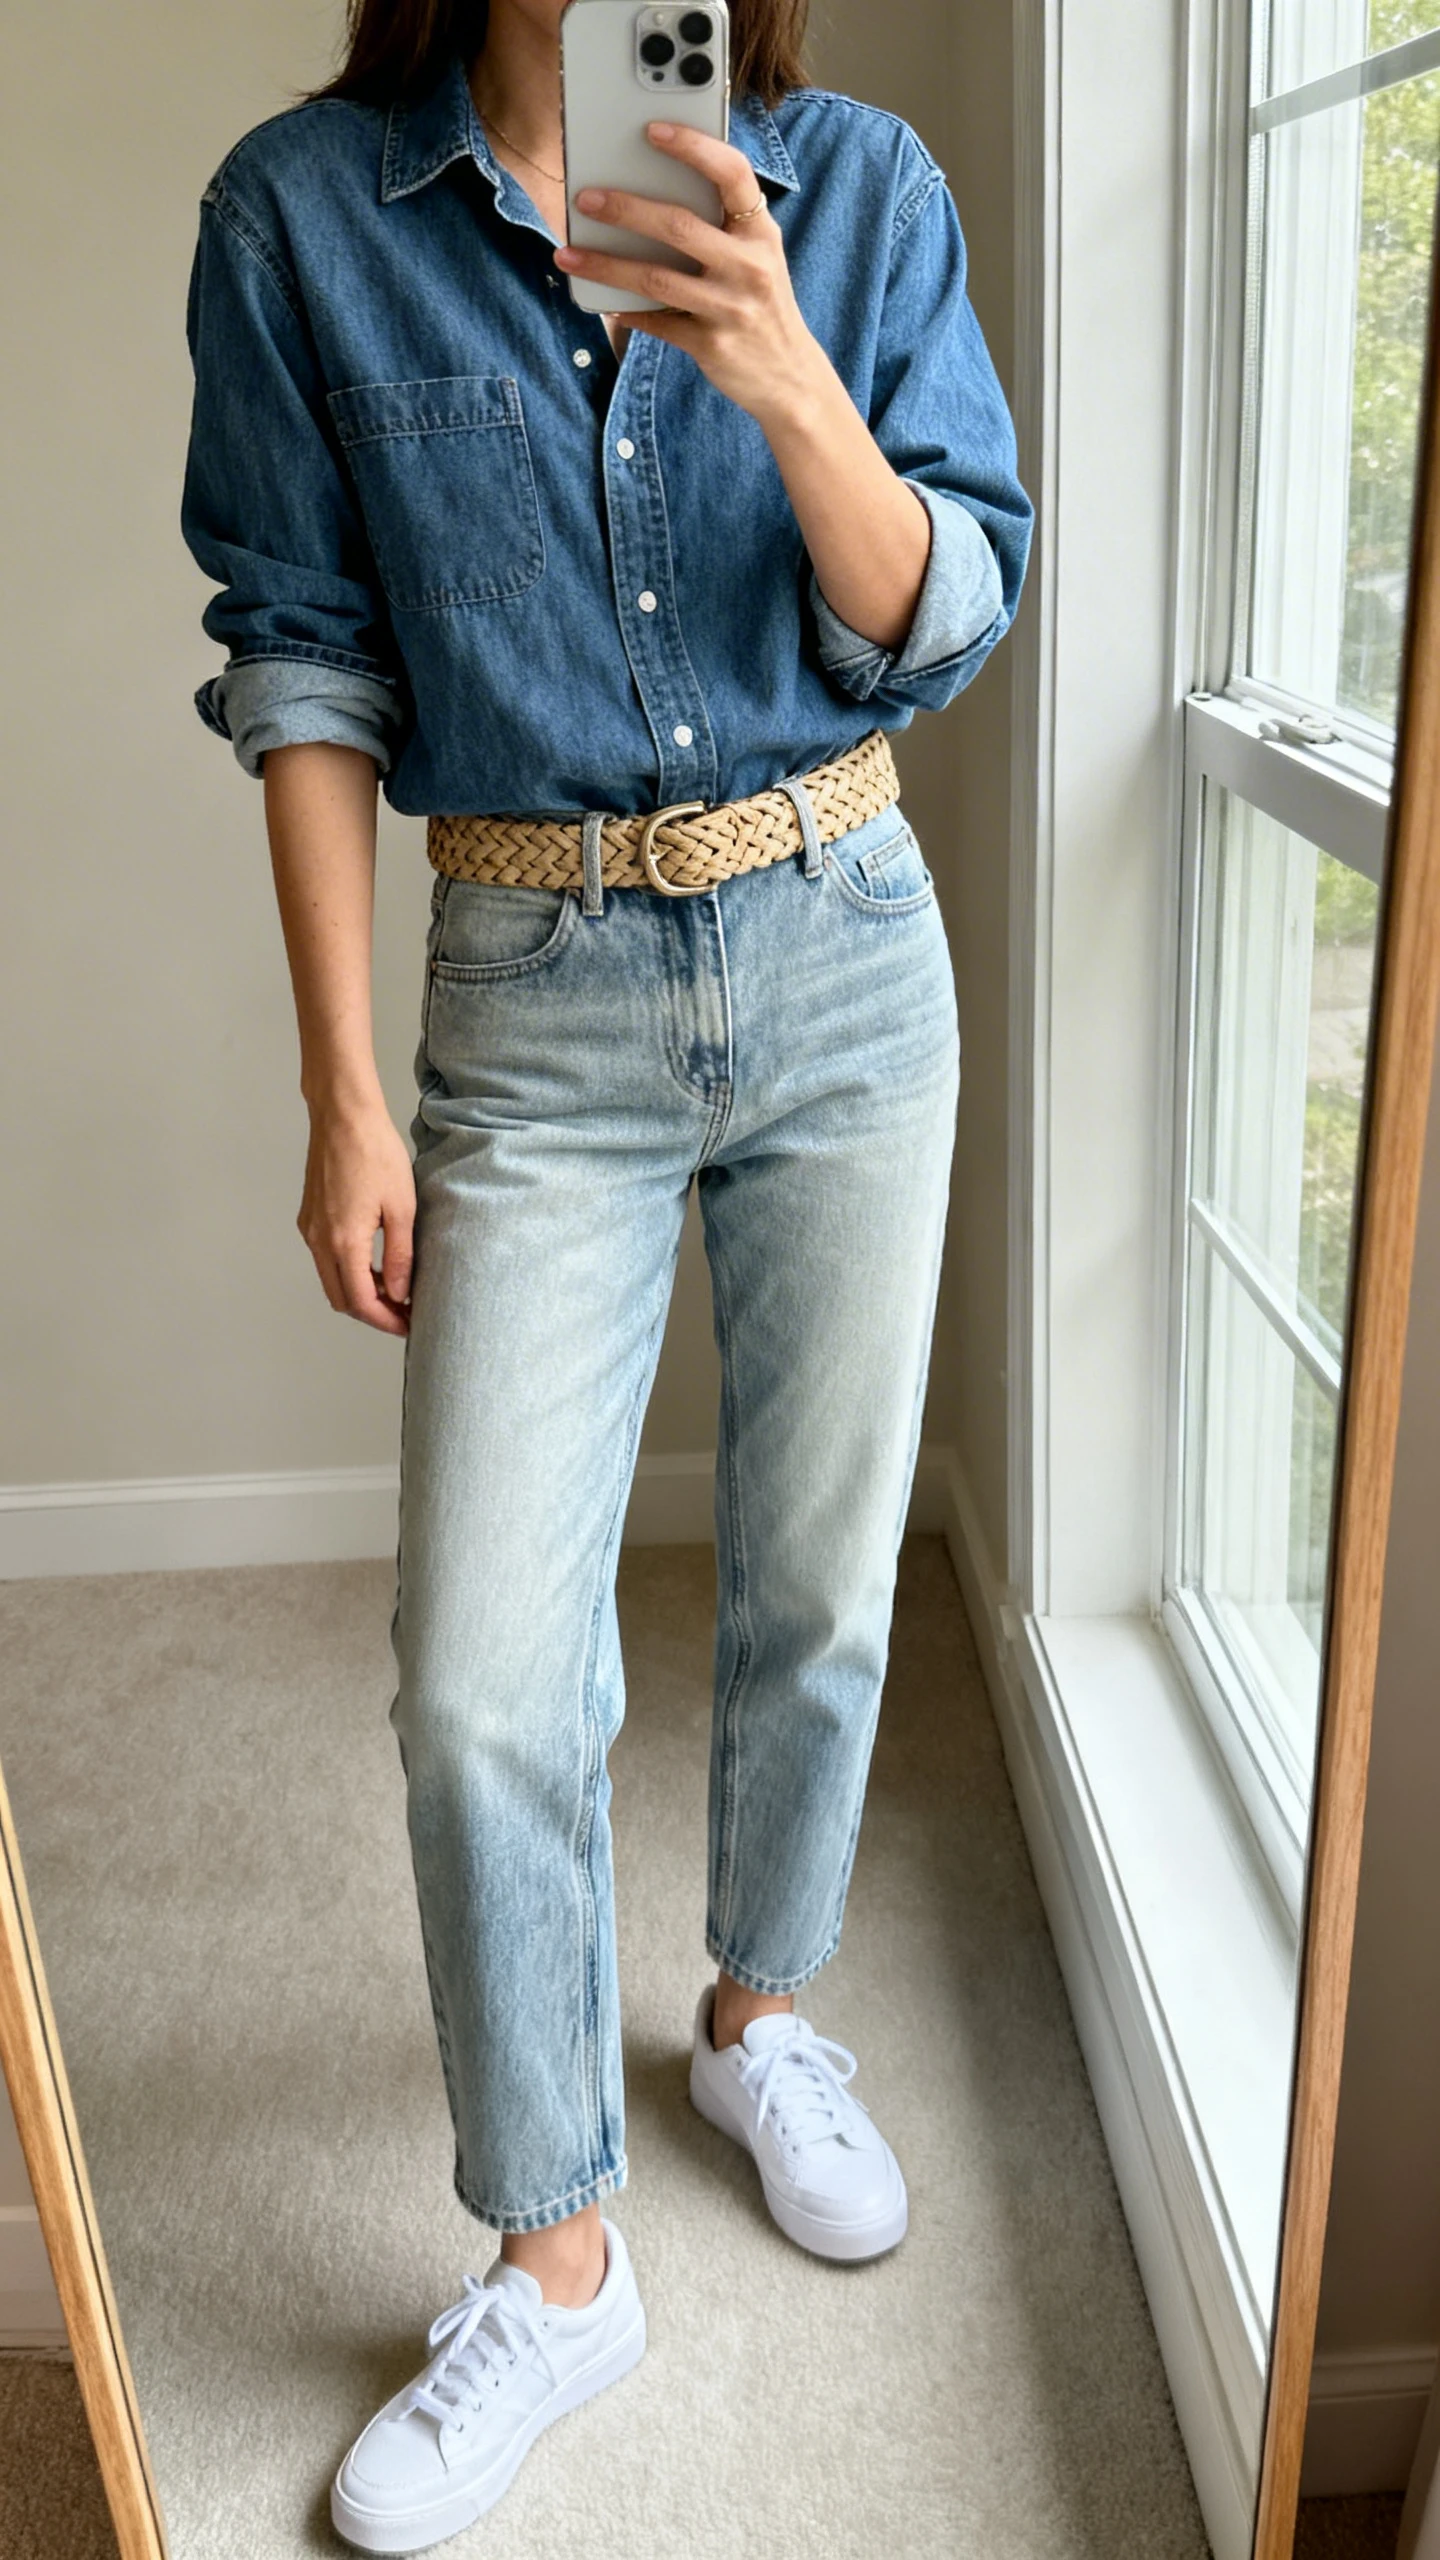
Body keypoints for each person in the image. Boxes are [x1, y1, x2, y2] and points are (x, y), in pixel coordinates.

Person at [181, 0, 1031, 2546]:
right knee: (481, 1675)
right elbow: (303, 650)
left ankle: (763, 2010)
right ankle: (556, 2258)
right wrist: (342, 1091)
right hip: (528, 993)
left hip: (843, 939)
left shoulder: (853, 183)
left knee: (821, 1577)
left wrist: (781, 368)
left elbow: (945, 607)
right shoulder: (303, 215)